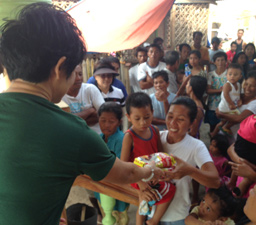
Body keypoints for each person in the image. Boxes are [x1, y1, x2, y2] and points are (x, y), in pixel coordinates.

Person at [0, 3, 163, 224]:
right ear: (60, 67)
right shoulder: (69, 131)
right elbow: (127, 174)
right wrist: (150, 170)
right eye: (74, 71)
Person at [151, 97, 220, 225]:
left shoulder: (196, 146)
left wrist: (189, 171)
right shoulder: (156, 137)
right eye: (170, 116)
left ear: (192, 123)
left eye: (181, 119)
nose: (172, 123)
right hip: (150, 211)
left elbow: (215, 181)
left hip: (176, 216)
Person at [121, 92, 176, 225]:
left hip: (153, 172)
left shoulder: (154, 130)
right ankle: (145, 222)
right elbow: (123, 165)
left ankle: (153, 220)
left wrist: (164, 170)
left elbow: (160, 154)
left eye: (147, 117)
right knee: (146, 195)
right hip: (136, 175)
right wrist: (140, 182)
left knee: (171, 188)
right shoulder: (129, 136)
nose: (143, 122)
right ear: (128, 117)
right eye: (137, 118)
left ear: (152, 112)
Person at [95, 102, 129, 225]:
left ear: (119, 122)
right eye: (103, 120)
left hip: (117, 189)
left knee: (120, 219)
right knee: (106, 216)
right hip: (101, 188)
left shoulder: (123, 140)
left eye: (111, 121)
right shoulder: (98, 138)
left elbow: (119, 167)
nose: (106, 125)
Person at [216, 70, 256, 140]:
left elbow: (238, 119)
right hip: (223, 133)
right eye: (246, 84)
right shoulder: (238, 94)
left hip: (236, 137)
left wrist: (221, 114)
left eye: (252, 86)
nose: (247, 88)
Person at [62, 64, 105, 134]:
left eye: (80, 74)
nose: (78, 78)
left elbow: (104, 115)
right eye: (74, 75)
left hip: (96, 137)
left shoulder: (90, 89)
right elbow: (65, 122)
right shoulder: (59, 96)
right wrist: (90, 111)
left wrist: (74, 121)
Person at [211, 63, 242, 137]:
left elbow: (238, 96)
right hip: (226, 107)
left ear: (240, 76)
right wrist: (231, 104)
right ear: (226, 75)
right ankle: (226, 127)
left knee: (222, 122)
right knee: (238, 117)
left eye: (235, 74)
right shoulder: (227, 85)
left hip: (230, 107)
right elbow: (226, 95)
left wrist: (240, 101)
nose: (232, 76)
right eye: (230, 74)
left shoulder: (238, 85)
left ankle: (213, 134)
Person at [205, 52, 228, 133]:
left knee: (224, 129)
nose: (220, 62)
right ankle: (212, 144)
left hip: (225, 107)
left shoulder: (229, 74)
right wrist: (222, 90)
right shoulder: (210, 75)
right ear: (214, 62)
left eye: (222, 60)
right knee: (212, 127)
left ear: (226, 61)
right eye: (218, 60)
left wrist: (215, 91)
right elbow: (208, 90)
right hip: (212, 106)